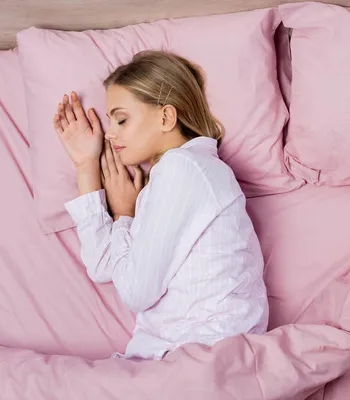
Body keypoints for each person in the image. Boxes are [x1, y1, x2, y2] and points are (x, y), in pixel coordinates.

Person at [53, 50, 268, 360]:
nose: (109, 133)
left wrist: (125, 216)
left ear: (166, 117)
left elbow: (136, 292)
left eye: (121, 119)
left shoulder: (183, 168)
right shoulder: (177, 176)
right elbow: (102, 266)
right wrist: (85, 164)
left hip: (203, 357)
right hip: (188, 355)